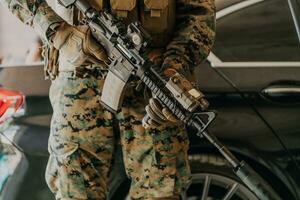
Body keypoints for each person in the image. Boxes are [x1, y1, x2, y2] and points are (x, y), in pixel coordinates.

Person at [0, 0, 216, 199]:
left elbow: (199, 13)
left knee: (161, 190)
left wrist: (175, 68)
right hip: (79, 80)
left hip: (152, 81)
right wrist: (57, 30)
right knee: (75, 190)